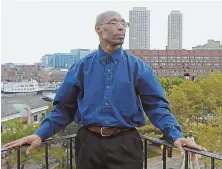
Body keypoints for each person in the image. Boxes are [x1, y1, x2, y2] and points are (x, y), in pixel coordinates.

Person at [4, 11, 205, 169]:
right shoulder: (81, 67)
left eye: (123, 24)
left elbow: (157, 107)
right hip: (88, 144)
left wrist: (176, 135)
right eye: (113, 23)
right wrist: (40, 135)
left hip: (126, 144)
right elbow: (64, 108)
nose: (121, 28)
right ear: (98, 29)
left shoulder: (138, 68)